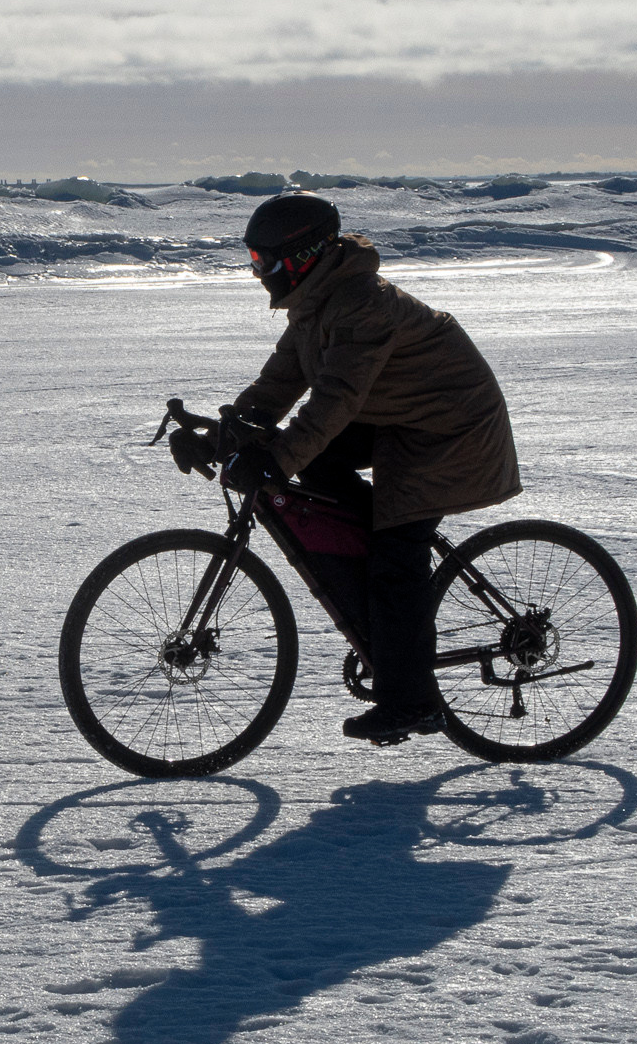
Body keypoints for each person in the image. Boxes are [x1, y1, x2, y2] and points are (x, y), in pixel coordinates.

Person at [217, 192, 520, 744]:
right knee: (322, 468)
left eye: (265, 263)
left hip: (447, 429)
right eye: (254, 263)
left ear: (303, 255)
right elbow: (280, 382)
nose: (259, 273)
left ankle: (412, 702)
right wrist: (226, 433)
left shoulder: (361, 303)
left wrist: (277, 457)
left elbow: (337, 399)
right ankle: (368, 541)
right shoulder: (318, 301)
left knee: (394, 563)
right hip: (398, 420)